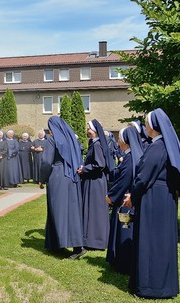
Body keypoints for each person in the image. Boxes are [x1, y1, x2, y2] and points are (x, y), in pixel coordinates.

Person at [123, 108, 180, 298]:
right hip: (164, 198)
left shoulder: (157, 147)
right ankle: (163, 285)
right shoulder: (164, 146)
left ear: (153, 126)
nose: (145, 125)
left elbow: (144, 178)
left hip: (154, 199)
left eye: (146, 122)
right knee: (162, 242)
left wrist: (132, 197)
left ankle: (150, 287)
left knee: (152, 242)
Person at [42, 117, 84, 259]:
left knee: (57, 211)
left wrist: (42, 178)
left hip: (58, 177)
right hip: (72, 178)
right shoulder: (71, 140)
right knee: (72, 212)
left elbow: (46, 161)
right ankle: (61, 244)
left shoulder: (52, 140)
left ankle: (70, 247)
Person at [105, 127, 142, 274]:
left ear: (125, 141)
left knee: (124, 230)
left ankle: (123, 263)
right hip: (126, 198)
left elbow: (124, 181)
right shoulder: (130, 156)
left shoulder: (129, 158)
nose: (118, 141)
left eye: (119, 138)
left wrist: (111, 196)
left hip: (125, 200)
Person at [78, 119, 113, 251]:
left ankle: (96, 240)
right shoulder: (94, 143)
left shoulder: (97, 145)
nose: (88, 131)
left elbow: (100, 164)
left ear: (95, 131)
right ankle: (92, 238)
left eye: (90, 129)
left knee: (95, 210)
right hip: (94, 180)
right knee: (93, 210)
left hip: (95, 182)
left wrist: (84, 169)